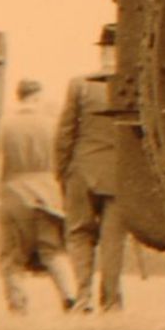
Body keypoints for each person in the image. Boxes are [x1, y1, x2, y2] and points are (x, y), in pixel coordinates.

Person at [58, 23, 126, 312]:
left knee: (79, 233)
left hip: (82, 171)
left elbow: (65, 134)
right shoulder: (132, 86)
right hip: (120, 175)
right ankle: (111, 300)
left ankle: (83, 296)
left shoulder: (80, 85)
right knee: (113, 241)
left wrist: (62, 171)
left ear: (103, 51)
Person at [0, 78, 77, 313]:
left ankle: (18, 305)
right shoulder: (52, 124)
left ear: (18, 96)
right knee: (53, 250)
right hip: (48, 192)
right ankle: (70, 297)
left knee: (12, 257)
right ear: (38, 97)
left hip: (13, 192)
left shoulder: (3, 125)